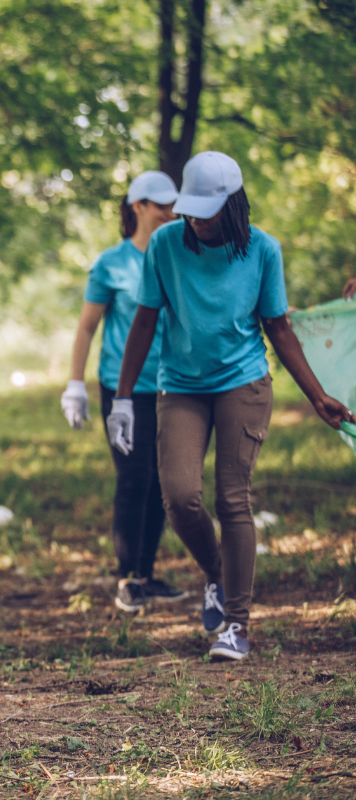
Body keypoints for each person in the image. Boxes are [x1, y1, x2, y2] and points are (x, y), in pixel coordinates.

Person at [109, 151, 355, 662]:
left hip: (243, 382)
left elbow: (279, 329)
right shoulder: (165, 245)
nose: (195, 221)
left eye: (206, 211)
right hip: (180, 384)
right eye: (190, 211)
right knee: (179, 496)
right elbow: (145, 322)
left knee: (232, 499)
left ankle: (236, 625)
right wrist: (123, 399)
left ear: (232, 206)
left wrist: (317, 396)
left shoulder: (263, 249)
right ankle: (218, 575)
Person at [61, 172, 187, 613]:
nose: (172, 212)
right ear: (138, 206)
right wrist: (75, 385)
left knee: (163, 484)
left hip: (173, 386)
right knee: (134, 479)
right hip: (123, 388)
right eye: (162, 205)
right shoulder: (111, 264)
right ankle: (125, 577)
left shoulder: (176, 255)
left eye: (175, 205)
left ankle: (147, 574)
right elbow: (86, 327)